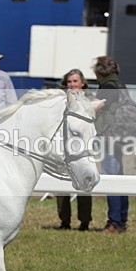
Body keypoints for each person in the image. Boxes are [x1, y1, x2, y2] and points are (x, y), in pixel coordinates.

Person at [93, 56, 129, 234]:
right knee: (119, 178)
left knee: (112, 178)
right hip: (119, 136)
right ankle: (121, 219)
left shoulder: (108, 86)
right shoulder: (118, 84)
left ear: (100, 71)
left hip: (110, 137)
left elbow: (96, 106)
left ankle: (114, 223)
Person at [55, 69, 92, 231]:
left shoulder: (88, 102)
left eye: (75, 81)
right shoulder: (62, 102)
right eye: (69, 82)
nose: (72, 85)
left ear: (82, 83)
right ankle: (64, 221)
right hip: (64, 149)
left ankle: (84, 221)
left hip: (83, 149)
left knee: (84, 183)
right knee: (61, 185)